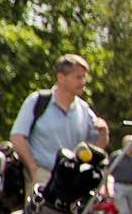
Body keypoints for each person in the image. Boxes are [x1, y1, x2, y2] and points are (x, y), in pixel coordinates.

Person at [10, 54, 109, 190]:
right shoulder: (37, 101)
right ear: (61, 77)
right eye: (78, 77)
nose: (83, 82)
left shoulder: (84, 109)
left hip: (71, 181)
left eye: (84, 77)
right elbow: (17, 137)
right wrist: (34, 170)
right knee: (40, 212)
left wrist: (103, 133)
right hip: (42, 177)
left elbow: (96, 149)